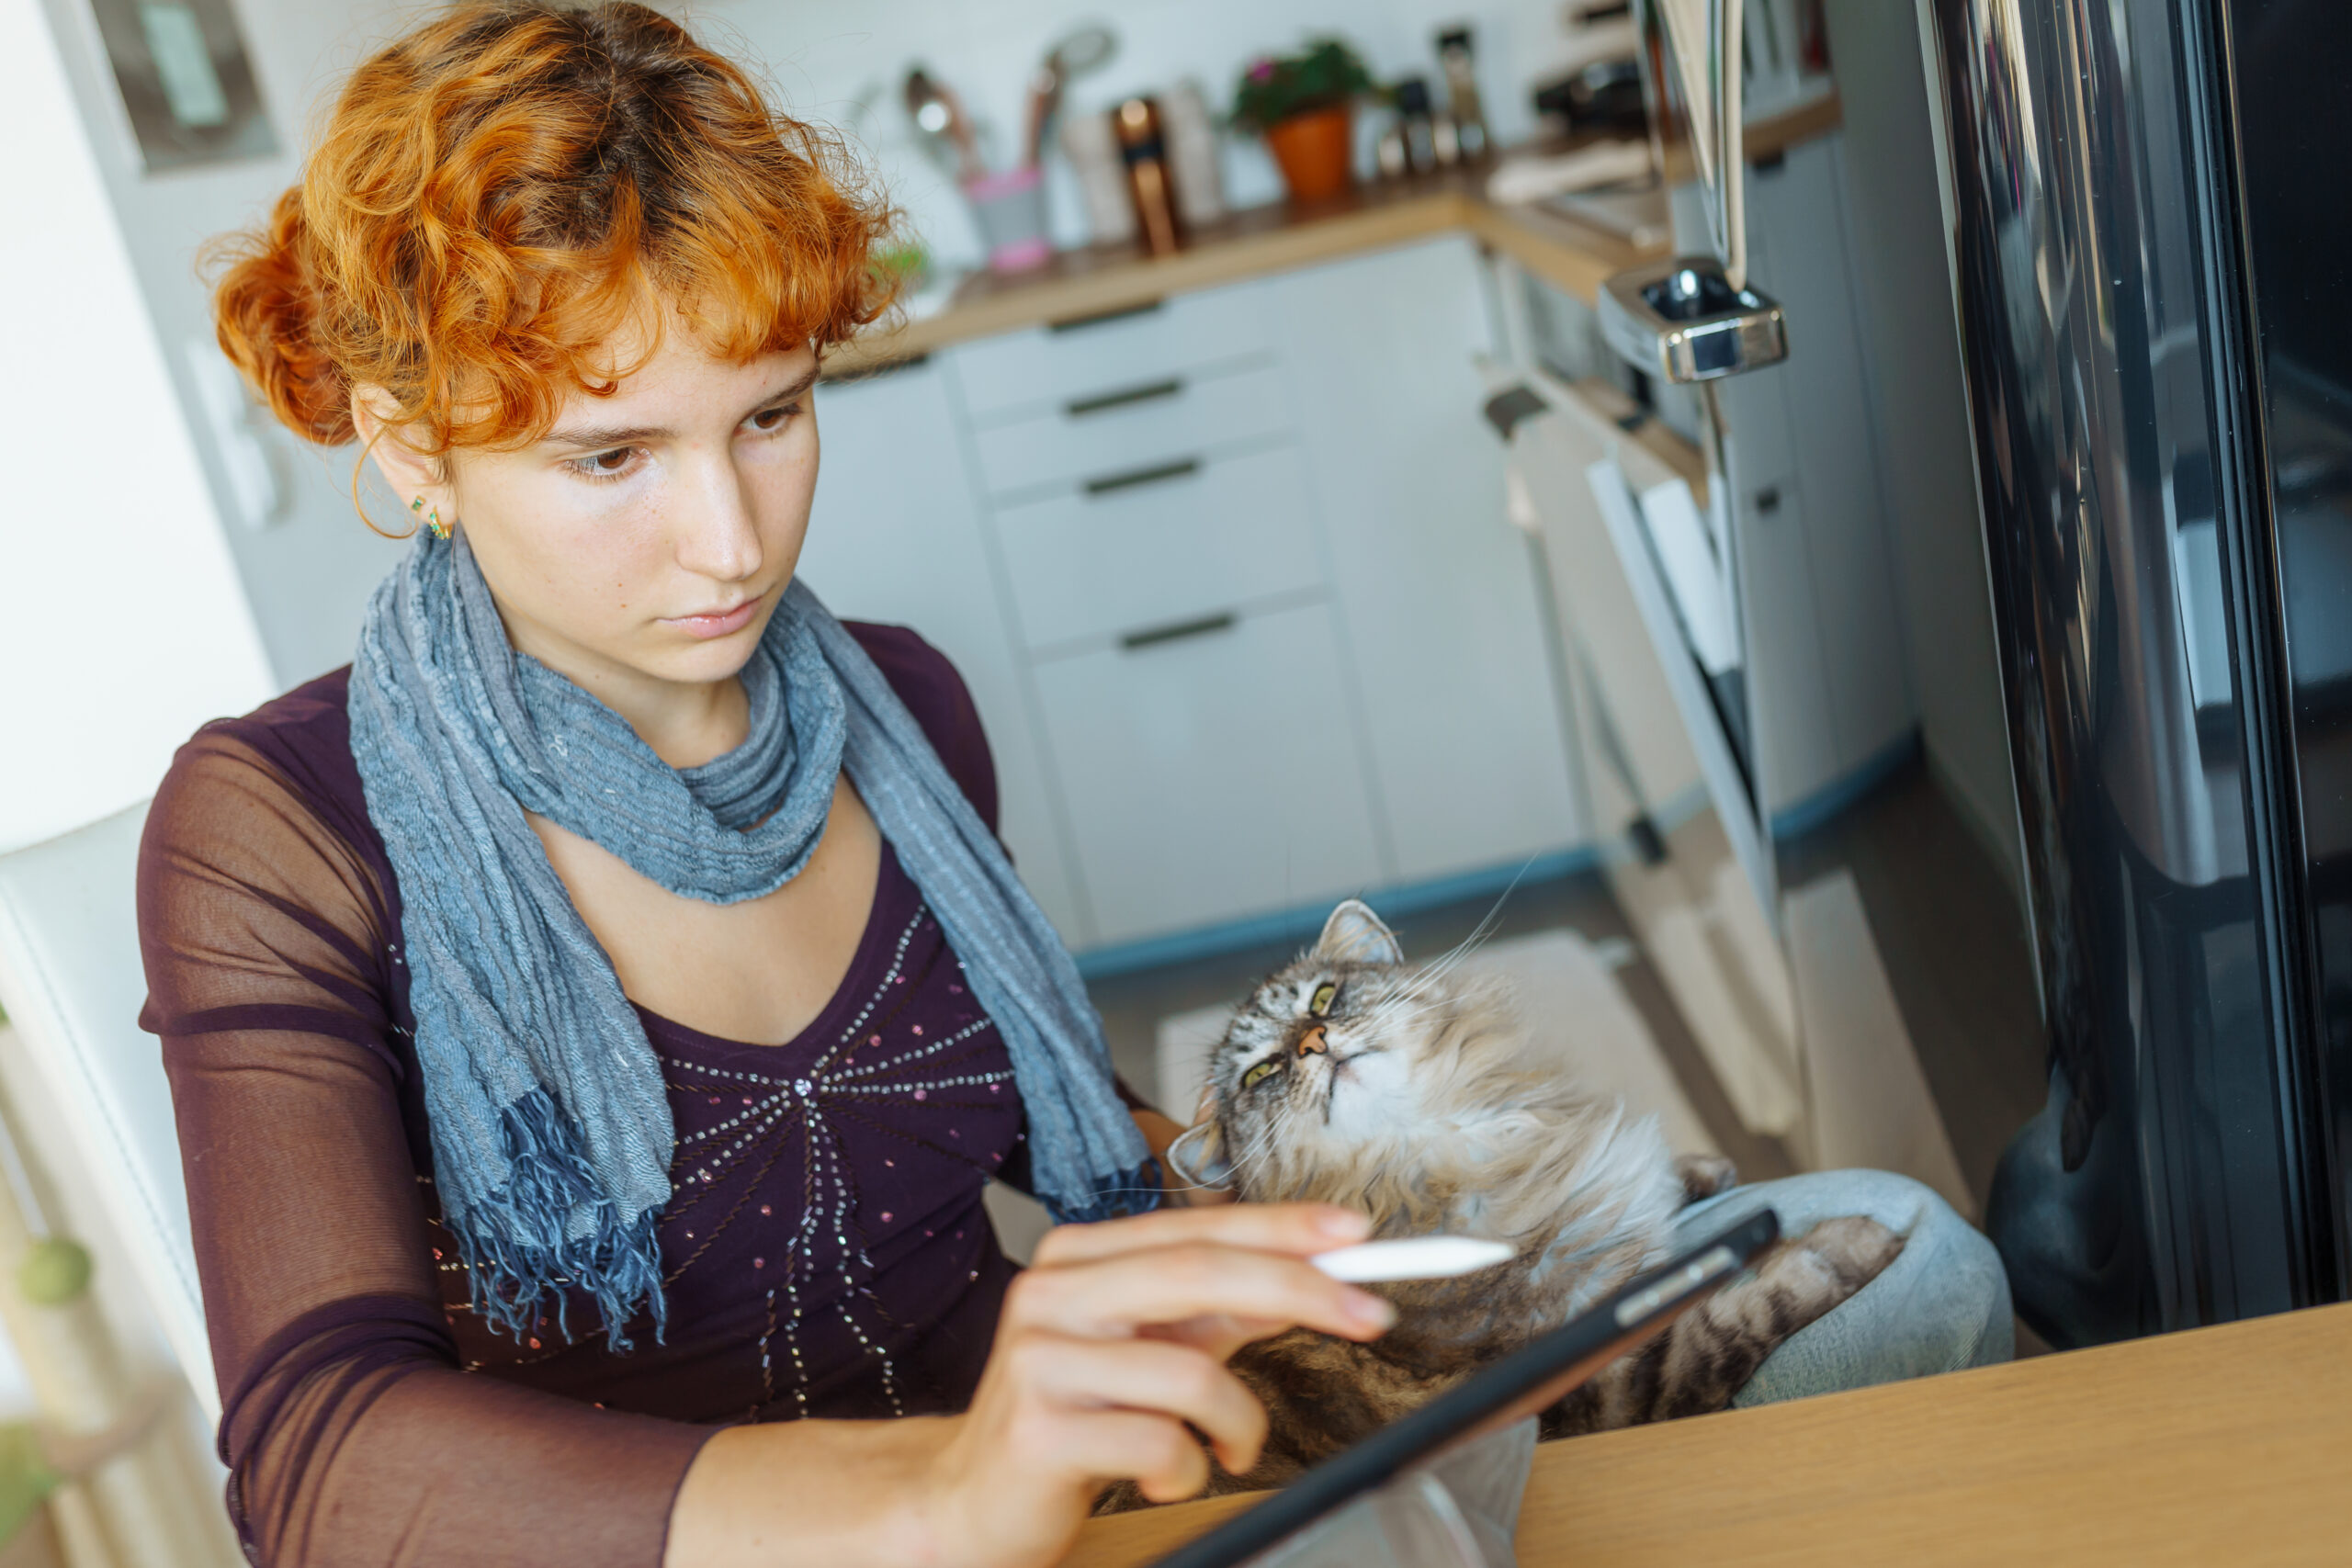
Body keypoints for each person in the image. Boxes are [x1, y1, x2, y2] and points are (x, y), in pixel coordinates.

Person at [135, 6, 2007, 1566]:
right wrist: (942, 1493)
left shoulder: (907, 717)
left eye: (772, 414)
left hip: (1076, 1489)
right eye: (609, 454)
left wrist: (1368, 1190)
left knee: (1896, 1265)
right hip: (862, 1525)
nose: (727, 539)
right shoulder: (279, 830)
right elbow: (322, 1462)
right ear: (411, 441)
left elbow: (1029, 1132)